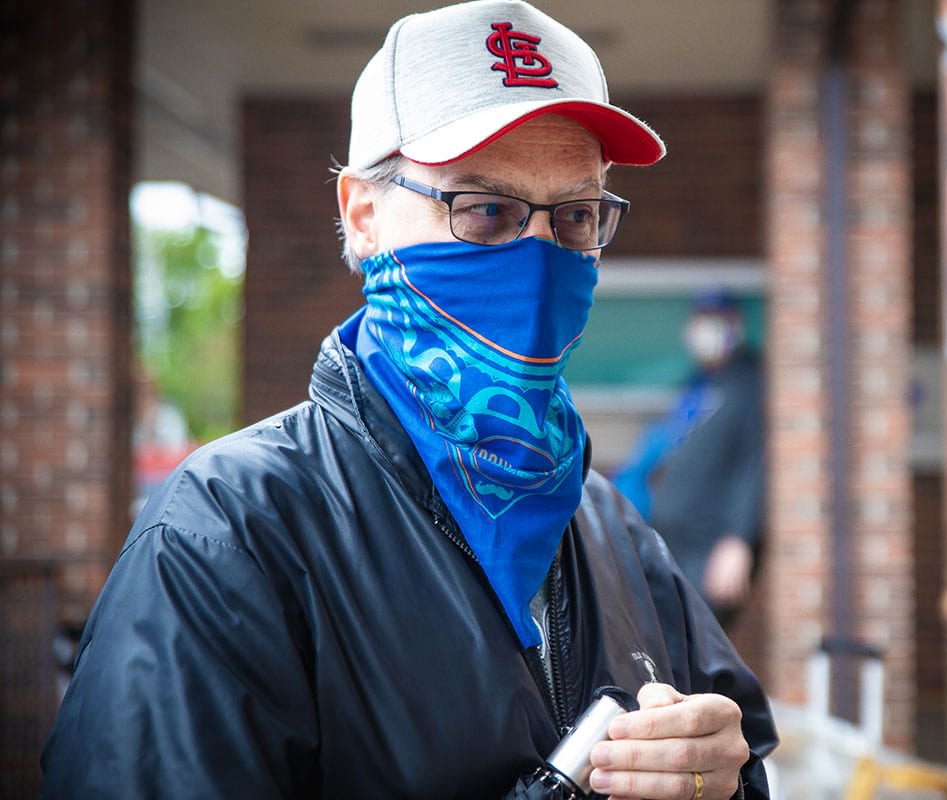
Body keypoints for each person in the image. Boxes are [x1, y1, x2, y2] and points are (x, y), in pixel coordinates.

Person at [39, 2, 777, 799]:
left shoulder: (613, 531)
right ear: (362, 215)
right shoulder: (227, 533)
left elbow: (740, 760)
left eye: (575, 217)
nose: (534, 264)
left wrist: (723, 782)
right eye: (484, 209)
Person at [613, 290, 764, 624]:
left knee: (695, 650)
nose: (705, 330)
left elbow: (755, 467)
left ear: (736, 325)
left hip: (709, 549)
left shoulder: (749, 384)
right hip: (670, 545)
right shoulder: (697, 386)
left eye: (716, 320)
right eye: (701, 320)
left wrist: (738, 540)